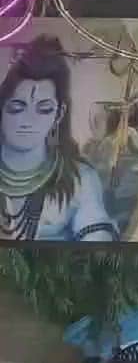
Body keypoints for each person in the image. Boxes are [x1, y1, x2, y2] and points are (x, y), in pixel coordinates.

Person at [0, 34, 117, 242]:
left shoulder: (80, 177)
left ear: (59, 114)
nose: (28, 121)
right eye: (17, 108)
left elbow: (98, 237)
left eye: (44, 110)